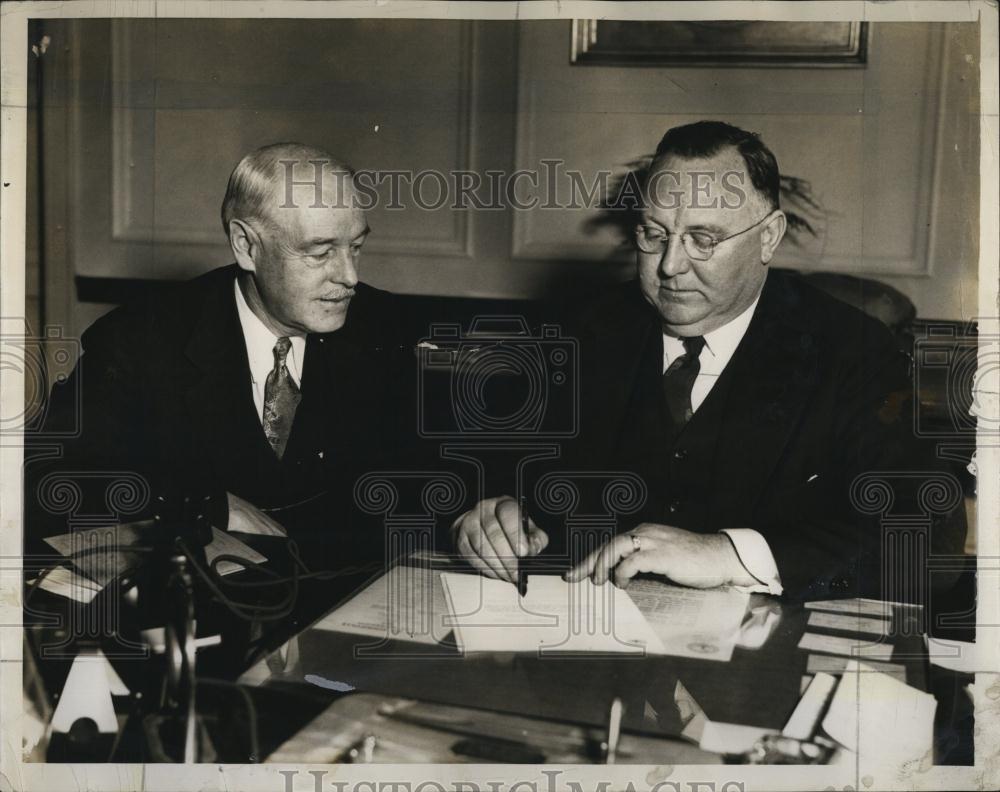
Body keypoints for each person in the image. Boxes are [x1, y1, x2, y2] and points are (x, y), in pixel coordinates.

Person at [451, 121, 965, 601]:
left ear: (768, 236)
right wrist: (484, 511)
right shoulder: (581, 332)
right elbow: (480, 467)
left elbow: (930, 544)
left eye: (703, 239)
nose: (670, 267)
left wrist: (730, 554)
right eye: (653, 235)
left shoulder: (855, 351)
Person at [25, 143, 409, 593]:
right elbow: (50, 479)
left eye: (357, 247)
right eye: (320, 253)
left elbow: (439, 463)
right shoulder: (140, 339)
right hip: (202, 619)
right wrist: (204, 502)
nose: (349, 277)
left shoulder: (388, 328)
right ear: (246, 245)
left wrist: (479, 510)